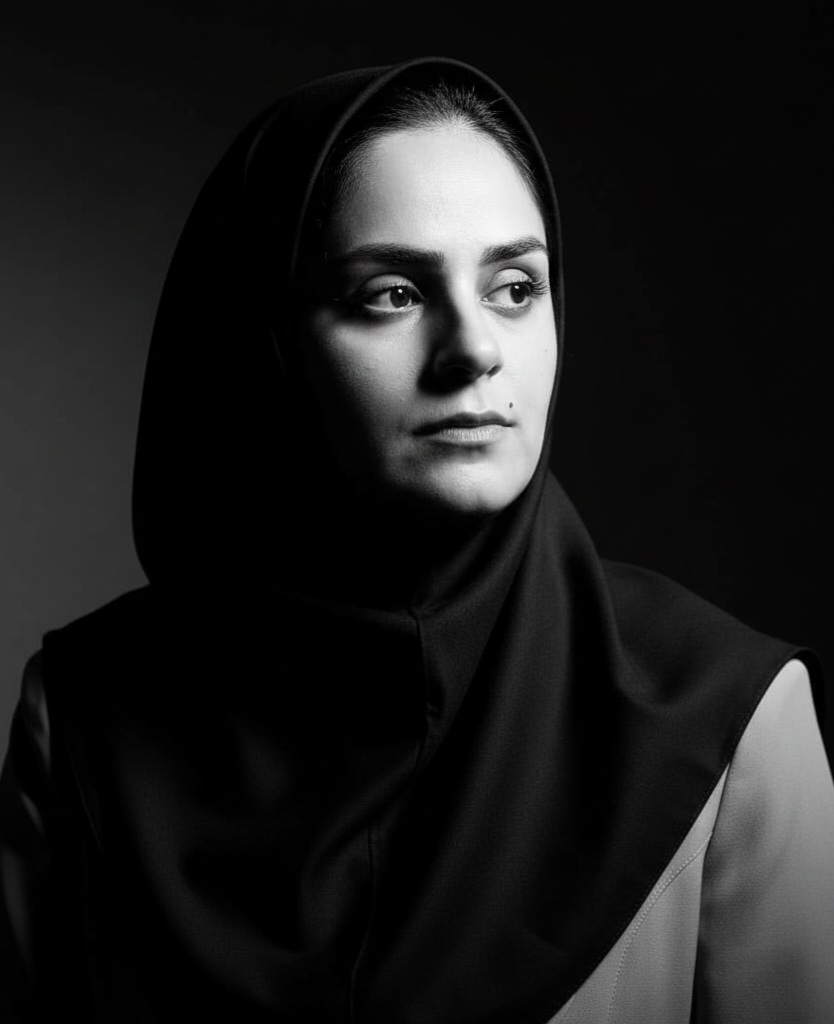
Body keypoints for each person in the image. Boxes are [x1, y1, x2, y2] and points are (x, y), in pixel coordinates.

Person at [1, 56, 832, 1023]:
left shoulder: (728, 722)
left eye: (515, 287)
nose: (475, 349)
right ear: (268, 340)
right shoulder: (87, 717)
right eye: (393, 293)